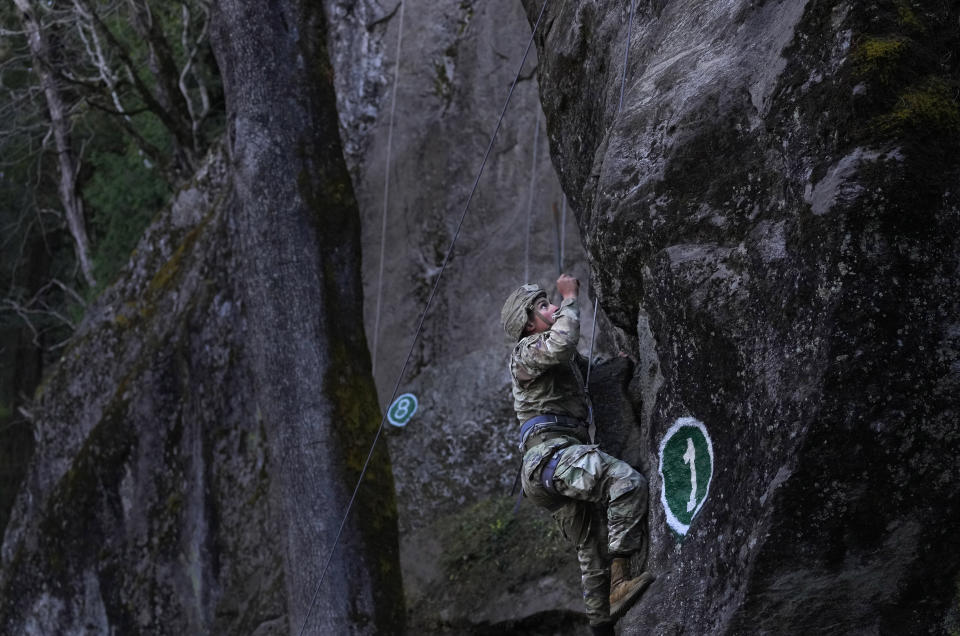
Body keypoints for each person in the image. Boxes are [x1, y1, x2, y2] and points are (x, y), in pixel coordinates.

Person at [500, 273, 653, 636]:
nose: (551, 307)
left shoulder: (559, 361)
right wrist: (569, 298)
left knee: (592, 547)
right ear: (528, 324)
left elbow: (589, 371)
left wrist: (621, 365)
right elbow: (563, 343)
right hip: (550, 457)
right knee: (626, 483)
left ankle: (601, 623)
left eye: (550, 302)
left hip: (554, 462)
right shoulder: (526, 352)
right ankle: (618, 584)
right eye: (542, 306)